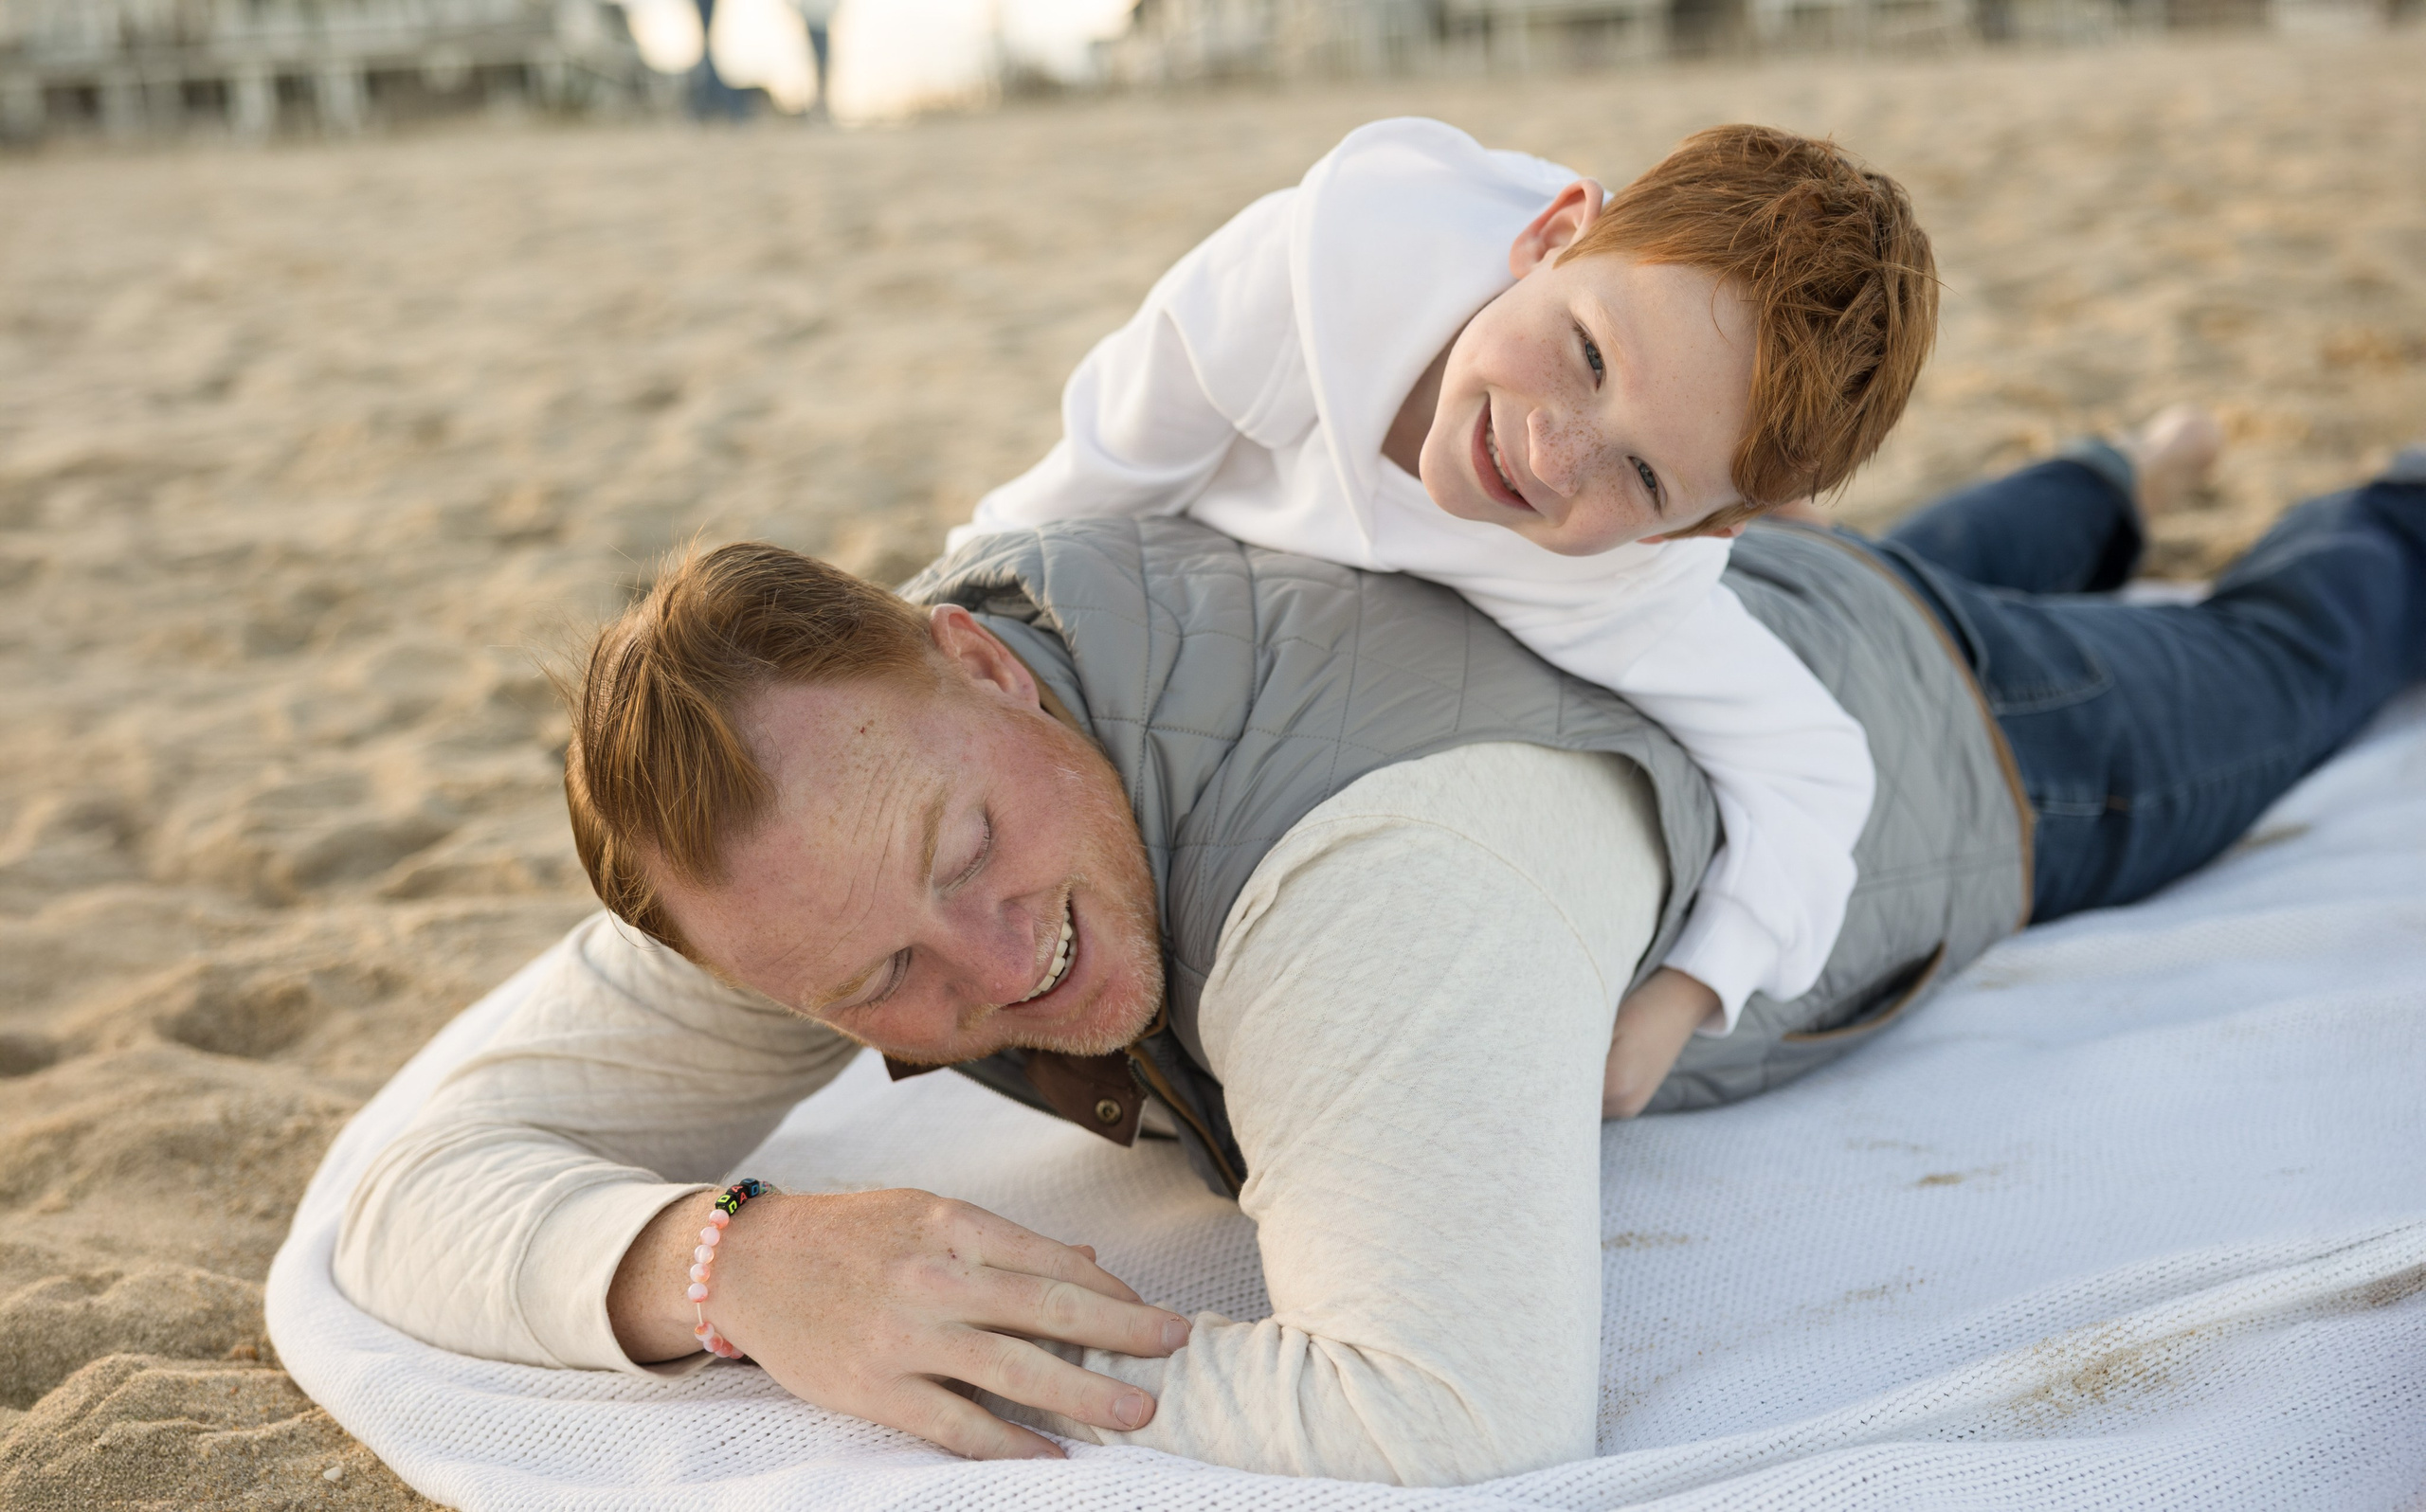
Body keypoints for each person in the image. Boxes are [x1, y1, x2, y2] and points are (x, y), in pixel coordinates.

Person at [335, 409, 2426, 1485]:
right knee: (1939, 538)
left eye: (973, 853)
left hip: (1953, 746)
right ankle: (2105, 469)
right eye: (873, 987)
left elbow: (1452, 1413)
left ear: (982, 657)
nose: (983, 968)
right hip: (1685, 613)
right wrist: (730, 1267)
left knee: (2301, 633)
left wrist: (993, 1357)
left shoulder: (1369, 884)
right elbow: (410, 1189)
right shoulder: (823, 824)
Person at [955, 119, 1933, 1103]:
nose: (1553, 453)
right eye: (1589, 355)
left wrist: (1679, 1000)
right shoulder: (1298, 288)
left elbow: (1811, 763)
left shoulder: (1621, 584)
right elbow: (1070, 496)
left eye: (1641, 475)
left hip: (1864, 612)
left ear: (1694, 534)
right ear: (1552, 237)